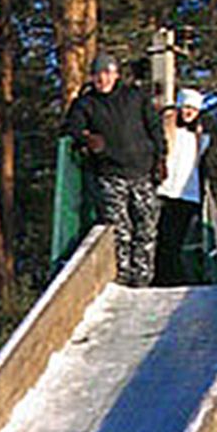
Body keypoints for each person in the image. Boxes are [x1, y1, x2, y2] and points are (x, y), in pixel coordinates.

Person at [62, 50, 165, 286]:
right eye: (98, 74)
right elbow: (71, 128)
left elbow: (154, 127)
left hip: (142, 170)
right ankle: (122, 276)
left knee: (146, 226)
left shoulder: (134, 97)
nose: (103, 79)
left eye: (108, 73)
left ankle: (143, 277)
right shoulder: (86, 103)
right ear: (92, 77)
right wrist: (86, 138)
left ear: (116, 75)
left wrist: (161, 157)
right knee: (119, 229)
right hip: (110, 173)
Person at [153, 88, 208, 286]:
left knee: (176, 240)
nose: (189, 112)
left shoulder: (200, 138)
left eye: (193, 109)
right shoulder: (167, 130)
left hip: (187, 194)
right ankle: (161, 277)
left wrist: (201, 195)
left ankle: (170, 278)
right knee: (161, 238)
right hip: (164, 190)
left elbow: (202, 168)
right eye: (186, 107)